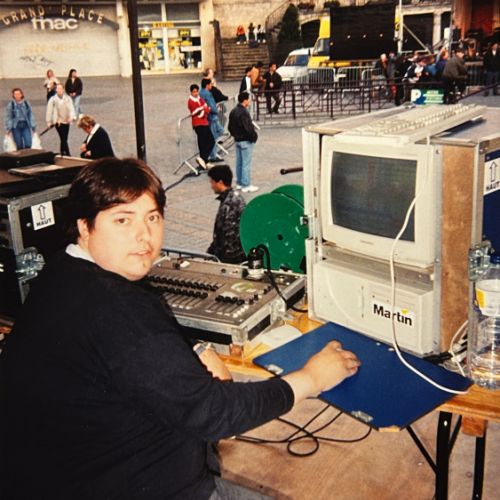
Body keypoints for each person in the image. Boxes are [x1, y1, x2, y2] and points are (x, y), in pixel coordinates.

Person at [0, 158, 360, 500]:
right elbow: (214, 414)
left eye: (152, 218)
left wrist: (195, 349)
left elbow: (125, 347)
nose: (144, 236)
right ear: (84, 225)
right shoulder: (118, 309)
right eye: (122, 220)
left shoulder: (62, 271)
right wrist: (312, 378)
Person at [207, 164, 247, 263]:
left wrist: (218, 258)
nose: (211, 186)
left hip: (232, 258)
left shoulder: (229, 204)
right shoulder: (234, 197)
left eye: (212, 182)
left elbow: (227, 236)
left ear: (220, 182)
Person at [228, 91, 259, 193]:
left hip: (237, 140)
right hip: (245, 140)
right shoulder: (244, 112)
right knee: (246, 163)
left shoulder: (233, 111)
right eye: (248, 99)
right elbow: (248, 128)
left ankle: (240, 183)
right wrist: (253, 136)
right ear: (245, 101)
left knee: (239, 163)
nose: (249, 101)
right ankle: (246, 184)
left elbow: (230, 127)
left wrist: (235, 135)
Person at [187, 83, 215, 170]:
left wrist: (203, 109)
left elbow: (206, 109)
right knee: (202, 142)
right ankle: (204, 159)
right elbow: (196, 112)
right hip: (198, 124)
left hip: (204, 122)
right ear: (191, 92)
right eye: (194, 92)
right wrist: (203, 109)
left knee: (211, 141)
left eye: (196, 91)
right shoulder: (190, 101)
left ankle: (203, 158)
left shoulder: (200, 99)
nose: (196, 93)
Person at [46, 82, 76, 156]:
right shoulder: (53, 100)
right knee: (63, 137)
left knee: (64, 138)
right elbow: (49, 111)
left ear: (63, 89)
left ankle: (63, 152)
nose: (59, 90)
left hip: (66, 120)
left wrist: (71, 117)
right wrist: (49, 122)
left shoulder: (68, 98)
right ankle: (67, 154)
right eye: (57, 88)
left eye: (60, 88)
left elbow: (71, 108)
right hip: (58, 121)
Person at [200, 78, 224, 163]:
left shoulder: (201, 92)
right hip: (212, 117)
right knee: (214, 135)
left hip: (208, 117)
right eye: (210, 84)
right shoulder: (207, 94)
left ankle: (212, 152)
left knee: (215, 134)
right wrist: (216, 110)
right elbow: (211, 105)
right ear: (207, 85)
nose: (211, 86)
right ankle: (213, 155)